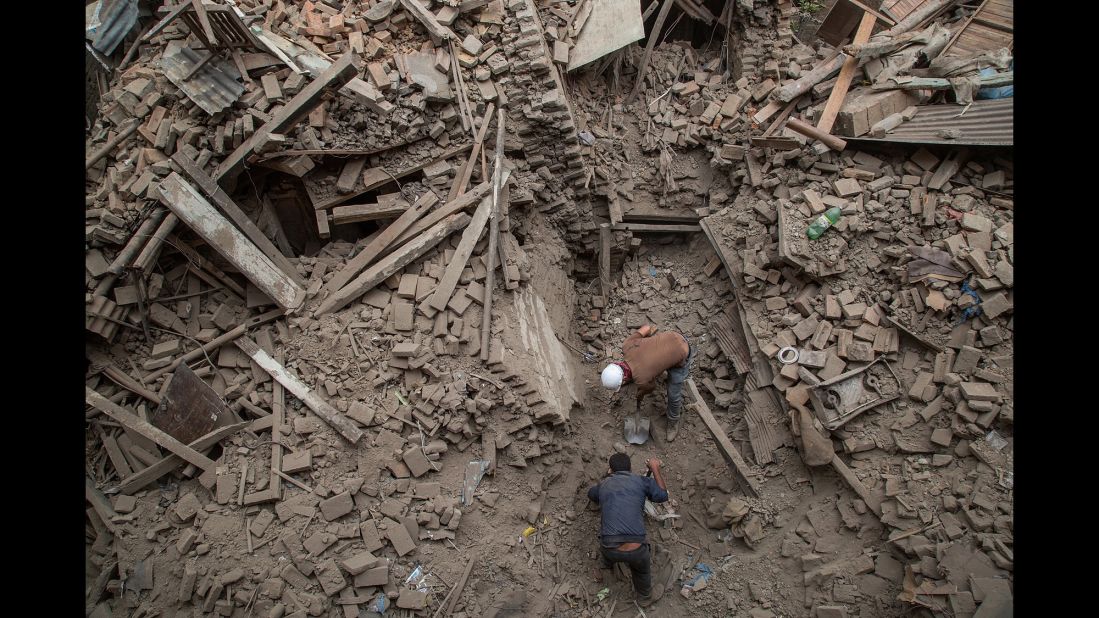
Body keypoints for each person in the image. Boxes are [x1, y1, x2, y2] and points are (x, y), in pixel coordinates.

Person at [587, 454, 670, 606]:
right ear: (630, 468)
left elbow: (591, 494)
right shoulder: (641, 481)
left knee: (606, 545)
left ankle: (606, 565)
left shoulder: (604, 484)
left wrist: (607, 479)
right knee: (641, 570)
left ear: (610, 469)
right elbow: (662, 495)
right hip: (636, 551)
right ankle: (645, 598)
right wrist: (655, 468)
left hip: (609, 549)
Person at [600, 325, 695, 441]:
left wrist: (641, 392)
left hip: (683, 353)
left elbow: (652, 387)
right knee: (652, 361)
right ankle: (657, 361)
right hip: (673, 335)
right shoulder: (627, 345)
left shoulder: (642, 380)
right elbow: (646, 328)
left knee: (673, 394)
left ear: (624, 378)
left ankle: (673, 421)